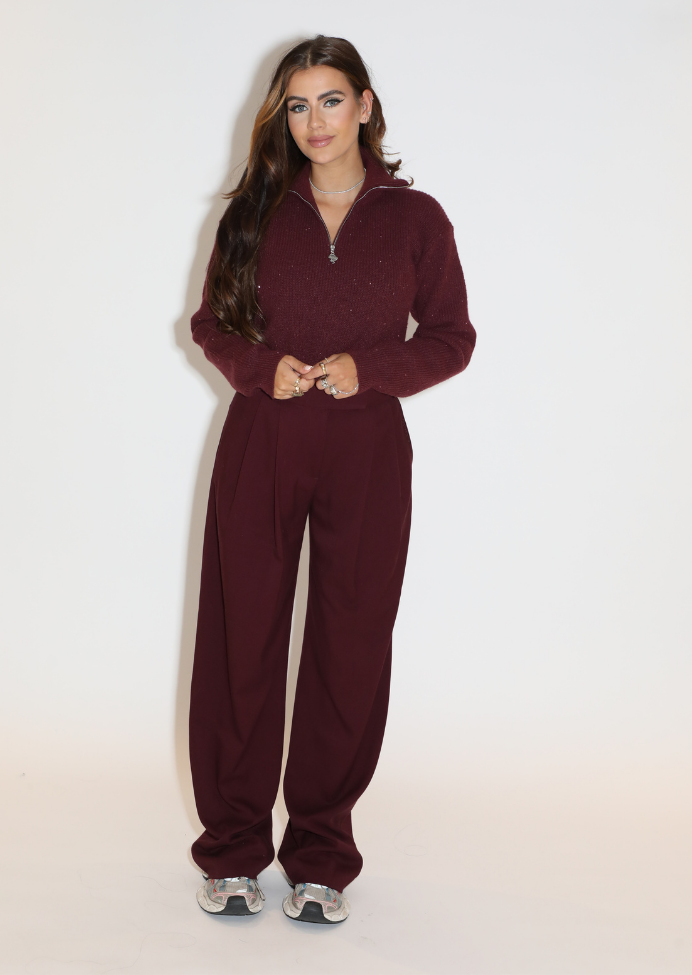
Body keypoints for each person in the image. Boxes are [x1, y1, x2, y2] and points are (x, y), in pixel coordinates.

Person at [187, 34, 476, 925]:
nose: (315, 121)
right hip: (263, 438)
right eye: (298, 105)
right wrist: (257, 367)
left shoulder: (416, 218)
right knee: (242, 641)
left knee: (350, 645)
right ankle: (233, 849)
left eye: (331, 100)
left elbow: (452, 336)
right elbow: (210, 323)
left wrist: (372, 369)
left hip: (368, 448)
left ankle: (321, 854)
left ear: (365, 105)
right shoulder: (256, 210)